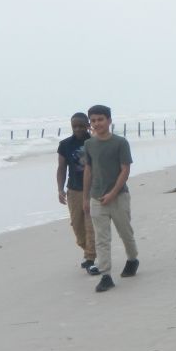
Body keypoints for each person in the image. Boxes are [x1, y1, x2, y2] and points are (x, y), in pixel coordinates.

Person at [82, 104, 139, 292]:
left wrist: (113, 193)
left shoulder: (120, 143)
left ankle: (132, 259)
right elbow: (88, 170)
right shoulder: (89, 144)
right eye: (93, 121)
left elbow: (125, 169)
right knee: (101, 238)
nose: (97, 123)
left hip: (118, 196)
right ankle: (106, 275)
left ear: (109, 121)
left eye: (100, 120)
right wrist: (86, 197)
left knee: (125, 232)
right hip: (96, 197)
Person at [56, 112, 96, 272]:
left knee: (91, 226)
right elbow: (61, 168)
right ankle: (88, 251)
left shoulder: (95, 142)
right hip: (74, 190)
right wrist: (60, 188)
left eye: (81, 125)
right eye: (75, 126)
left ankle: (91, 259)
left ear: (88, 125)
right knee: (77, 227)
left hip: (94, 190)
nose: (78, 129)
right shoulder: (65, 145)